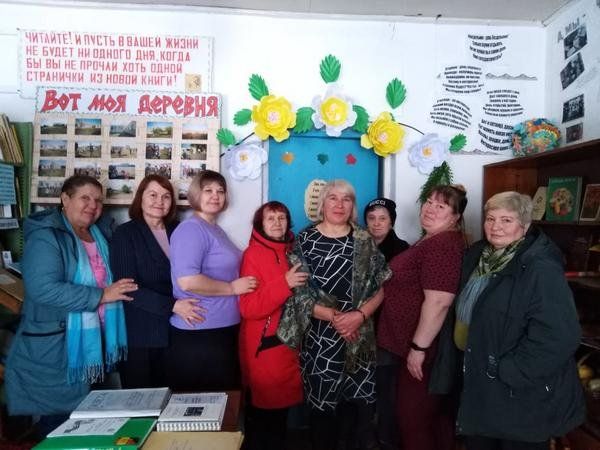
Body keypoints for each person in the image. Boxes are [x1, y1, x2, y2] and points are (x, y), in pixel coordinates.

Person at [430, 191, 585, 450]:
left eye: (506, 220)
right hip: (480, 382)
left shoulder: (540, 268)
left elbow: (560, 336)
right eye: (490, 219)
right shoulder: (478, 256)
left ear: (524, 225)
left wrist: (510, 371)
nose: (496, 227)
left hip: (519, 395)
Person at [5, 175, 138, 435]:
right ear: (65, 199)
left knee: (92, 424)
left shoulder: (101, 233)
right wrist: (101, 296)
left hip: (95, 344)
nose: (93, 205)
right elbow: (43, 289)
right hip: (58, 347)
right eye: (85, 198)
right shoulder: (46, 237)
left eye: (98, 200)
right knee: (61, 425)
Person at [277, 179, 391, 450]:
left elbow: (380, 288)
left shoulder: (363, 239)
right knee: (322, 411)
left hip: (357, 336)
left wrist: (359, 316)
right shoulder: (305, 240)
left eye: (346, 199)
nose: (339, 205)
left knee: (355, 408)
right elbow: (298, 294)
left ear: (352, 206)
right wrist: (334, 317)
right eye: (333, 198)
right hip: (319, 340)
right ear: (323, 204)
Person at [377, 184, 468, 450]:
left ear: (455, 217)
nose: (430, 209)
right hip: (411, 347)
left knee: (413, 420)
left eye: (441, 206)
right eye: (429, 202)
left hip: (423, 352)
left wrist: (419, 348)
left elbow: (439, 302)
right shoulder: (431, 239)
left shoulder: (442, 245)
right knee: (431, 419)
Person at [165, 170, 257, 391]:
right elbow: (188, 281)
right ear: (196, 194)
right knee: (205, 403)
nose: (215, 196)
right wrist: (231, 288)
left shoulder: (214, 228)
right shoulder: (190, 229)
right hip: (201, 333)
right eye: (208, 190)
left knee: (225, 401)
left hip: (220, 329)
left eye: (220, 191)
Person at [110, 174, 190, 388]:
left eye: (166, 196)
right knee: (143, 400)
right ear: (141, 198)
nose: (159, 201)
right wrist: (173, 305)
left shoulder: (179, 230)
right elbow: (127, 289)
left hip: (178, 331)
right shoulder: (125, 234)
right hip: (142, 334)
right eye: (153, 195)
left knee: (175, 398)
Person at [239, 201, 307, 450]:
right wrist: (284, 283)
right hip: (266, 348)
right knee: (265, 419)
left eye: (281, 217)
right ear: (260, 224)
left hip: (290, 347)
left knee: (281, 421)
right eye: (270, 218)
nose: (277, 223)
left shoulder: (293, 250)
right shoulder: (253, 255)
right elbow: (248, 307)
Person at [363, 198, 409, 450]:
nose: (377, 223)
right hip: (361, 329)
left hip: (388, 331)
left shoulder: (403, 251)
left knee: (386, 390)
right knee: (362, 389)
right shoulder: (358, 247)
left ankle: (386, 439)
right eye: (371, 218)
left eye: (383, 218)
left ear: (391, 222)